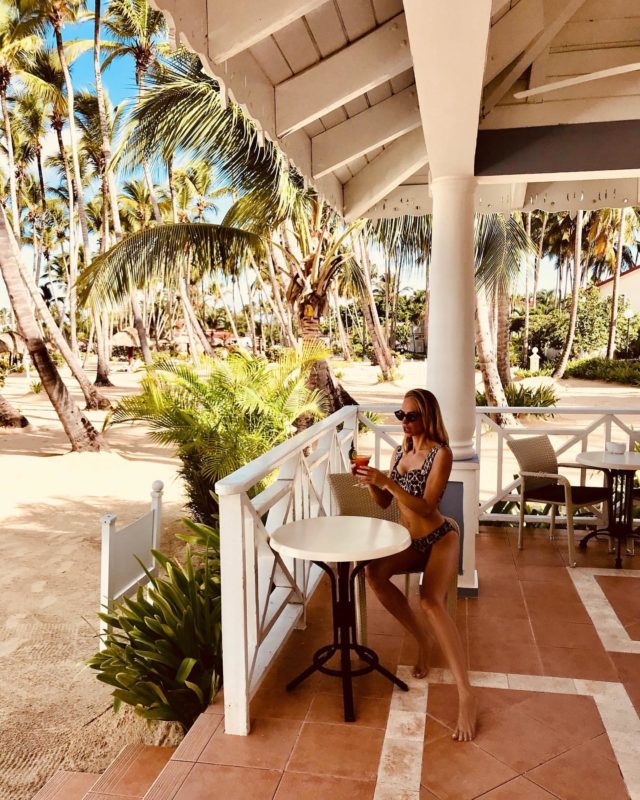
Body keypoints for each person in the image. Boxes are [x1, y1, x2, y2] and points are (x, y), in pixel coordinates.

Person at [355, 388, 476, 741]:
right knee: (374, 573)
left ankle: (466, 694)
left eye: (412, 416)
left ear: (428, 416)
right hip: (410, 541)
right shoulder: (399, 452)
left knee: (430, 601)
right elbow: (383, 504)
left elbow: (425, 506)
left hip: (439, 537)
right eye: (401, 415)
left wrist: (387, 481)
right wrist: (370, 482)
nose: (405, 422)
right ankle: (422, 638)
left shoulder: (441, 454)